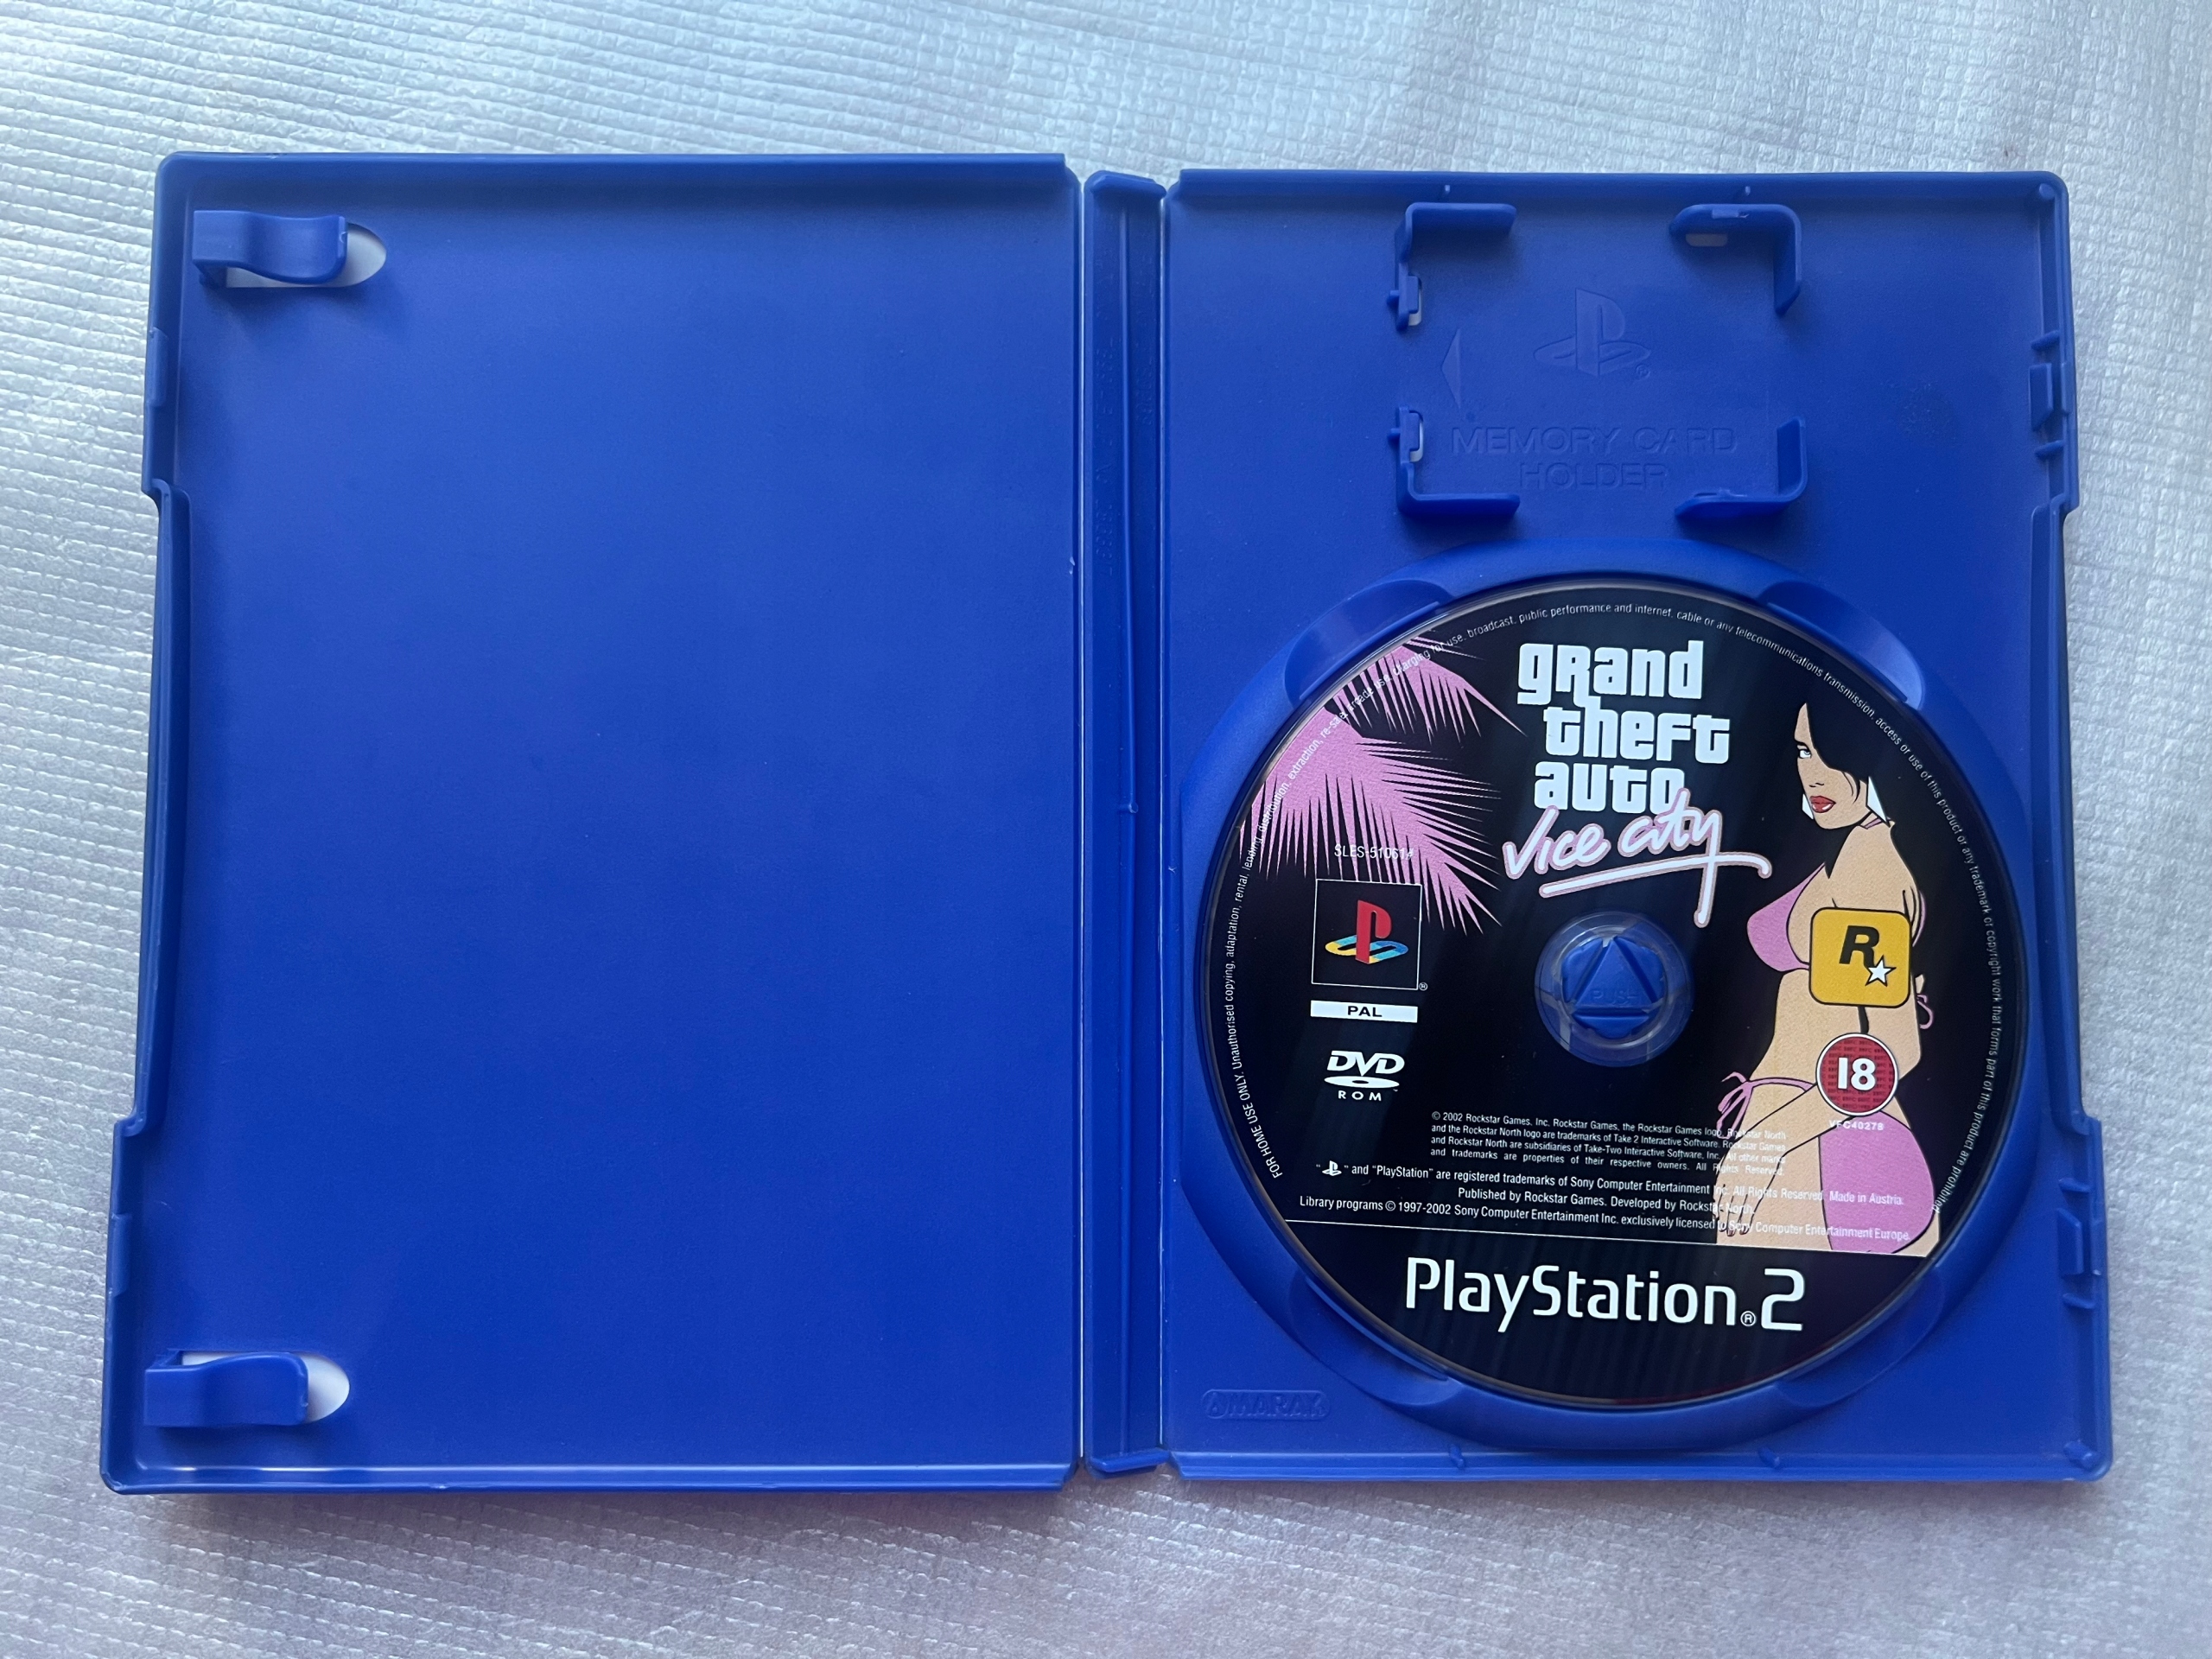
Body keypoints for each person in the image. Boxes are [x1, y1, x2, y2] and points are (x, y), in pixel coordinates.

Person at [1713, 693, 1937, 1255]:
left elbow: (1895, 1048)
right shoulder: (1852, 851)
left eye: (1828, 755)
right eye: (1803, 752)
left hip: (1818, 1144)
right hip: (1810, 1130)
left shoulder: (1867, 867)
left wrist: (1769, 1141)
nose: (1812, 773)